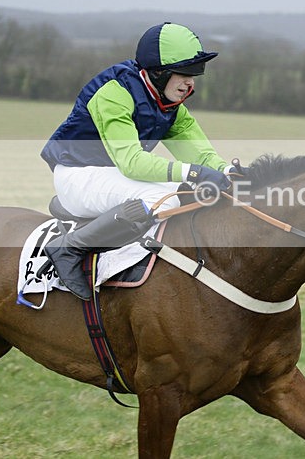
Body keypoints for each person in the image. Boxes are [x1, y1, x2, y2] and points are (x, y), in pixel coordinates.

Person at [40, 22, 233, 300]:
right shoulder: (113, 93)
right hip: (77, 175)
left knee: (191, 193)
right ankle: (69, 248)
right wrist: (193, 173)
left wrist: (229, 170)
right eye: (185, 74)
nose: (191, 82)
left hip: (110, 178)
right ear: (159, 73)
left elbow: (200, 154)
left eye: (197, 74)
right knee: (164, 198)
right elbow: (131, 162)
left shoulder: (168, 105)